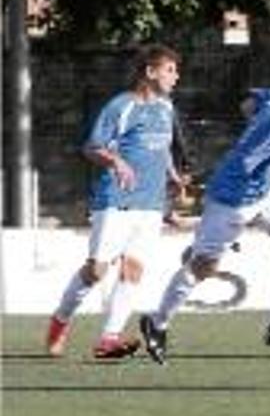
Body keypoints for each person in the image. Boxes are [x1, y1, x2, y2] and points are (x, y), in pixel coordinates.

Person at [138, 64, 270, 365]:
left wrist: (258, 139)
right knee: (203, 267)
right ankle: (157, 323)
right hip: (232, 197)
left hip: (263, 189)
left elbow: (249, 103)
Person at [45, 44, 181, 358]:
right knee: (96, 271)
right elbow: (91, 148)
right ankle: (60, 320)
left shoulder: (166, 108)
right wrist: (116, 162)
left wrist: (172, 174)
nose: (176, 77)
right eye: (170, 70)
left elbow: (162, 149)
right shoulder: (121, 106)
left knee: (133, 270)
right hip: (116, 200)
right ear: (150, 72)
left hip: (150, 205)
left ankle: (109, 338)